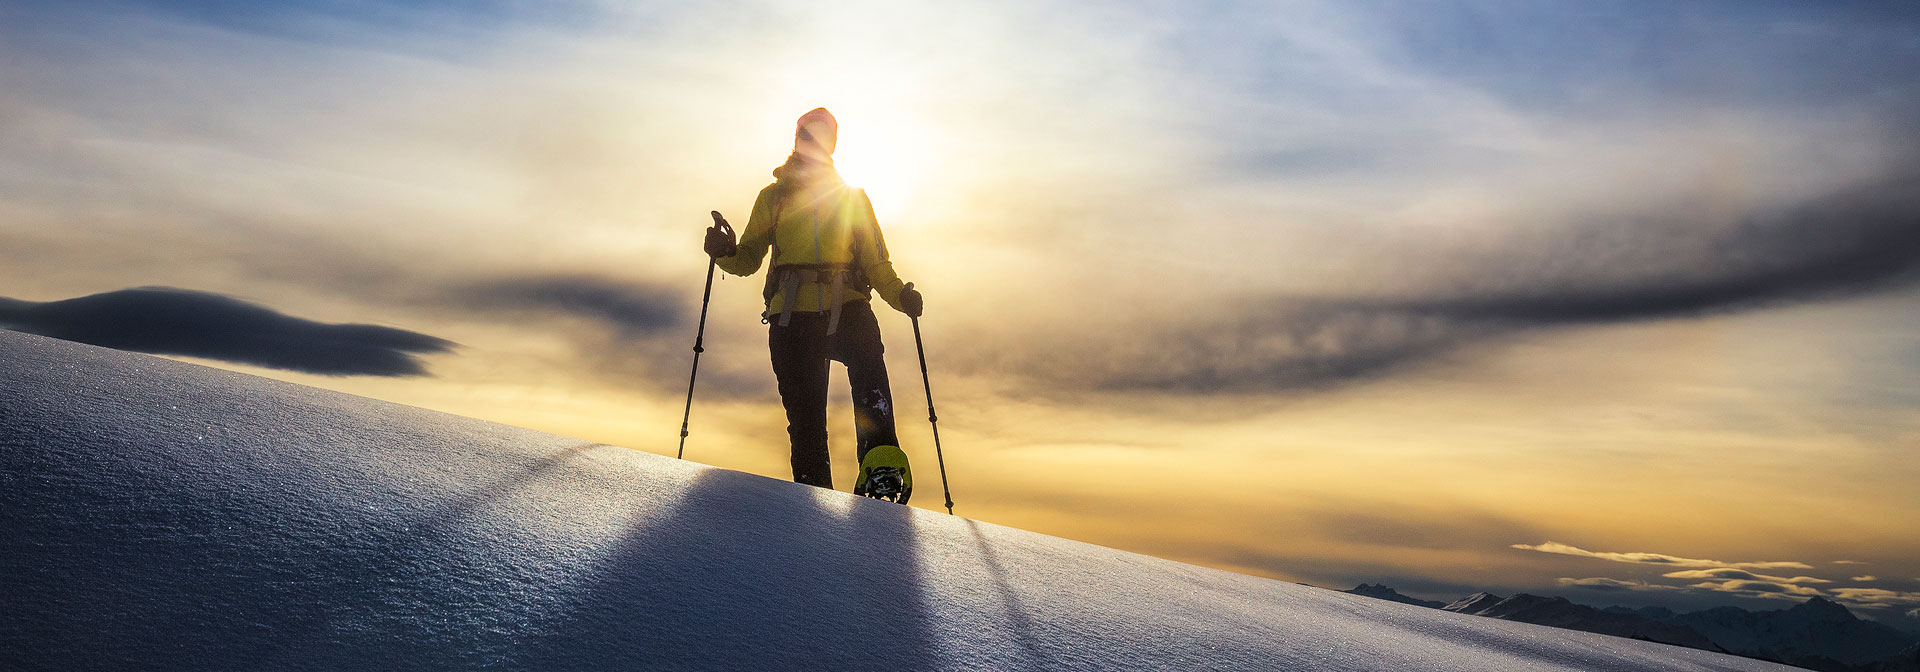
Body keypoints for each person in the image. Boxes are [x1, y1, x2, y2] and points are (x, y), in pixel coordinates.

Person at [703, 107, 924, 501]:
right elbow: (749, 258)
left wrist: (899, 296)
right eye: (809, 135)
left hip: (848, 310)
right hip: (793, 316)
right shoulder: (773, 198)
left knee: (869, 374)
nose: (815, 143)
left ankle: (879, 467)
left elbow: (876, 263)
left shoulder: (852, 198)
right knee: (806, 418)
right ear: (798, 139)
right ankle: (813, 499)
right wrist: (724, 253)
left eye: (823, 137)